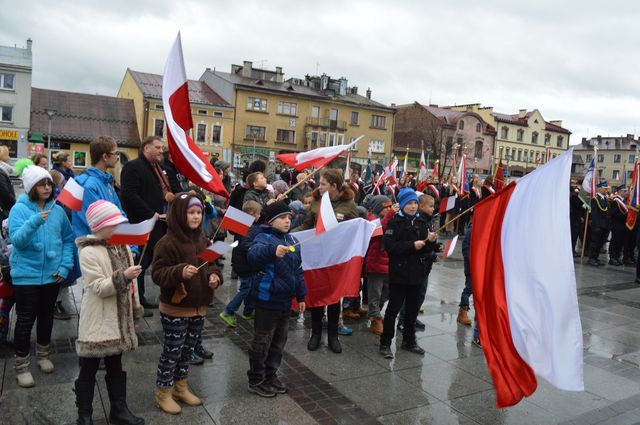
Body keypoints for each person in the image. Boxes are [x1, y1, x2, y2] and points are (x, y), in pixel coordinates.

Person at [151, 192, 222, 415]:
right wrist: (179, 271)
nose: (196, 216)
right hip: (176, 307)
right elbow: (158, 273)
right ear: (180, 215)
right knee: (172, 351)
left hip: (198, 307)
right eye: (191, 212)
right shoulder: (167, 242)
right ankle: (163, 392)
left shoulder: (202, 239)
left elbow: (211, 263)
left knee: (187, 351)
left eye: (199, 212)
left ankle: (180, 387)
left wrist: (214, 276)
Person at [74, 200, 145, 425]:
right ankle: (84, 414)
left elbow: (131, 289)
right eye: (113, 225)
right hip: (98, 319)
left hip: (119, 319)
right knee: (89, 367)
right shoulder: (89, 252)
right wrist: (124, 276)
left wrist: (134, 307)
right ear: (100, 226)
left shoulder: (122, 246)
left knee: (116, 364)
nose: (118, 228)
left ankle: (119, 409)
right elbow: (98, 287)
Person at [8, 165, 74, 387]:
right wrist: (35, 221)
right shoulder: (19, 209)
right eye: (42, 184)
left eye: (49, 184)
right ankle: (22, 365)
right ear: (31, 188)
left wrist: (65, 266)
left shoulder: (58, 210)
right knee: (25, 319)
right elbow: (17, 241)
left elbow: (67, 239)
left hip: (52, 274)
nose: (47, 187)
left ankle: (43, 355)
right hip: (26, 274)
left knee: (46, 316)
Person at [245, 201, 306, 397]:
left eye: (289, 217)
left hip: (285, 301)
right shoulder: (263, 237)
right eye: (282, 217)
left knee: (278, 343)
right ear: (271, 221)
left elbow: (298, 271)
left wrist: (301, 295)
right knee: (262, 342)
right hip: (266, 299)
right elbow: (253, 255)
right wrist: (272, 251)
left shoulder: (292, 239)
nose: (287, 221)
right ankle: (256, 379)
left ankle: (270, 375)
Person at [295, 169, 358, 354]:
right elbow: (307, 225)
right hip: (317, 257)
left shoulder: (349, 205)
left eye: (322, 184)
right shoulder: (316, 201)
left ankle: (332, 336)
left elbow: (354, 229)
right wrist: (291, 235)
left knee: (333, 298)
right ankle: (315, 334)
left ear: (334, 186)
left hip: (337, 259)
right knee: (316, 295)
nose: (319, 186)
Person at [379, 188, 437, 359]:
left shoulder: (421, 223)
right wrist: (412, 246)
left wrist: (431, 242)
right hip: (399, 274)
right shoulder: (394, 223)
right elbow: (390, 248)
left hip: (417, 273)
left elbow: (426, 248)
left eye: (415, 203)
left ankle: (409, 341)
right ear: (402, 204)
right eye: (409, 203)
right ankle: (385, 343)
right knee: (392, 310)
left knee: (412, 310)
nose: (413, 206)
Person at [121, 136, 171, 310]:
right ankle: (137, 299)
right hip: (140, 223)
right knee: (139, 262)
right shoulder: (133, 167)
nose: (161, 151)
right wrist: (150, 214)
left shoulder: (158, 168)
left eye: (162, 147)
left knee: (146, 261)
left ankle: (139, 297)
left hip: (157, 224)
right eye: (157, 147)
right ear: (146, 149)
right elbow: (129, 195)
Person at [220, 200, 262, 327]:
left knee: (250, 286)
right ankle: (228, 311)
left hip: (241, 263)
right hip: (245, 264)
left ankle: (248, 311)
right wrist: (256, 249)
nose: (260, 216)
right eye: (259, 213)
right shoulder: (249, 228)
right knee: (246, 288)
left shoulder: (242, 224)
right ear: (252, 214)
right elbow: (246, 245)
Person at [365, 195, 392, 335]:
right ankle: (375, 317)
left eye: (390, 207)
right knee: (375, 293)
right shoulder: (371, 220)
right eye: (385, 207)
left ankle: (375, 312)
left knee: (386, 293)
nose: (388, 209)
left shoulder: (390, 219)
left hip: (388, 263)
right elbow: (381, 229)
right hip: (376, 263)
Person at [588, 181, 610, 267]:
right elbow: (594, 214)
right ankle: (591, 258)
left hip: (604, 225)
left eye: (606, 189)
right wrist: (596, 226)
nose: (606, 190)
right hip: (598, 225)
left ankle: (596, 257)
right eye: (605, 189)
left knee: (600, 243)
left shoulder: (605, 198)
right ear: (600, 188)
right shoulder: (595, 199)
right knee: (595, 242)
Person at [608, 185, 628, 266]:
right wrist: (626, 215)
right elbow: (613, 214)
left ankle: (617, 256)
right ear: (619, 191)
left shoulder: (625, 201)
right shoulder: (615, 201)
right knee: (615, 241)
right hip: (616, 225)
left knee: (620, 242)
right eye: (624, 191)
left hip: (623, 225)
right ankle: (612, 258)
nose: (626, 192)